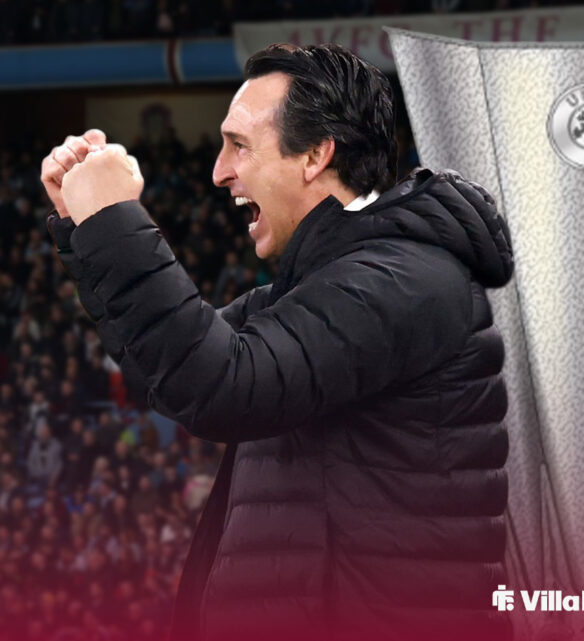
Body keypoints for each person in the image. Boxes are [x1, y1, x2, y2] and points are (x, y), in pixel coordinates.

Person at [40, 43, 514, 641]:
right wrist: (88, 230)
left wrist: (114, 220)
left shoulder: (405, 282)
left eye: (239, 144)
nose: (219, 171)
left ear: (317, 154)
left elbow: (220, 386)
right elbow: (171, 373)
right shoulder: (318, 289)